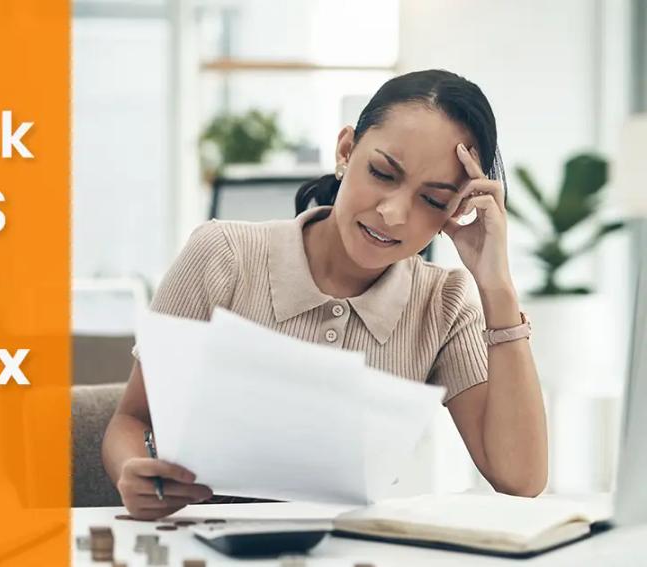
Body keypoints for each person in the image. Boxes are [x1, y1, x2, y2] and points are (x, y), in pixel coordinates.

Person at [101, 69, 548, 520]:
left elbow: (521, 479)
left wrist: (497, 286)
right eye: (382, 173)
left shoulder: (444, 302)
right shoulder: (222, 254)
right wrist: (134, 472)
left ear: (458, 208)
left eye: (433, 200)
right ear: (346, 150)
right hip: (204, 541)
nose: (393, 214)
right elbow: (131, 420)